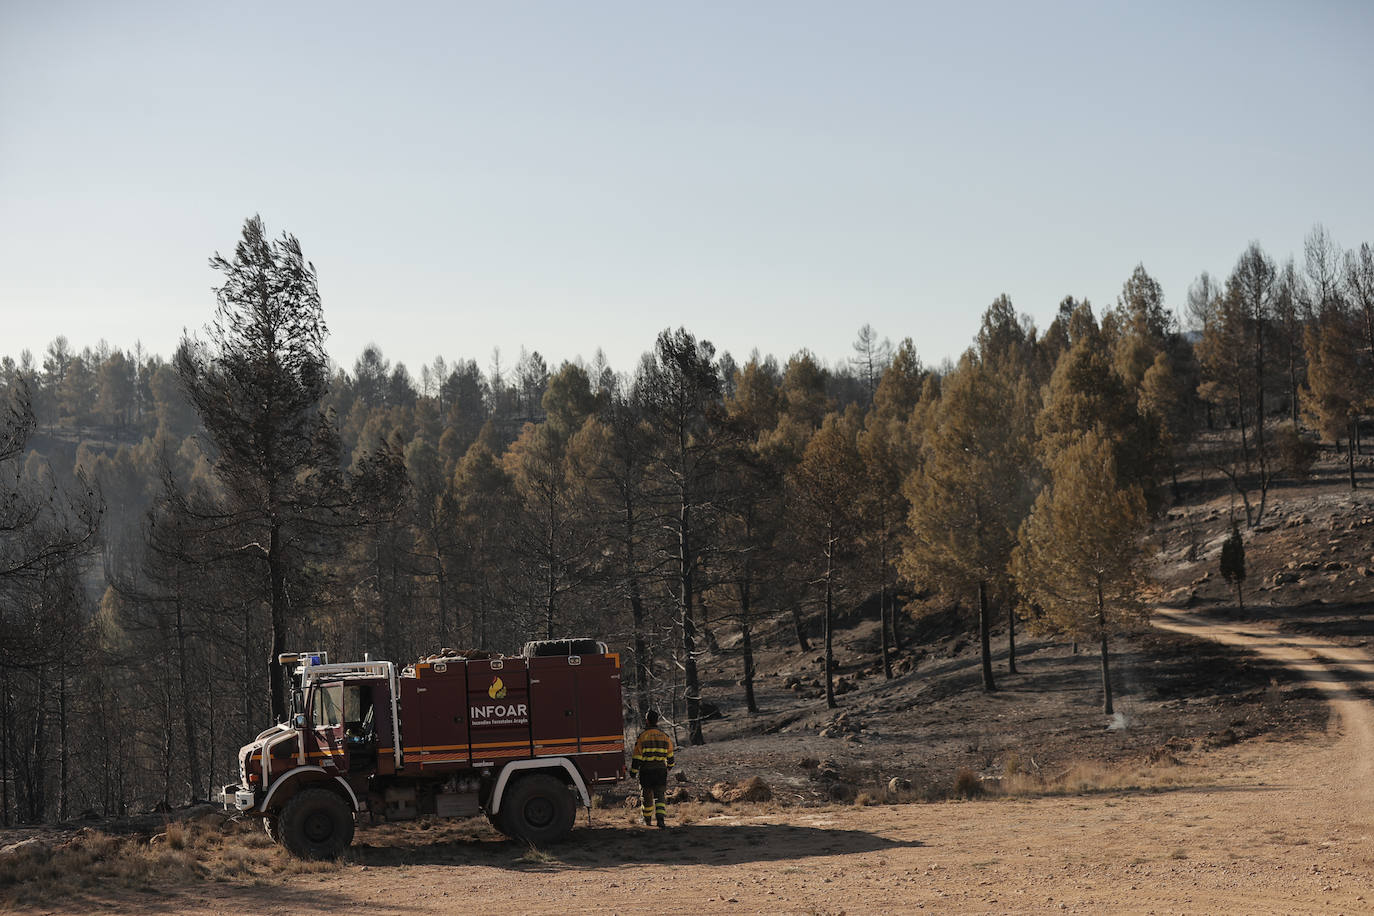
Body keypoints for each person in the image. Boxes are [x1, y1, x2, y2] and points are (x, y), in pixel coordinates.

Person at [628, 710, 675, 828]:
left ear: (647, 720)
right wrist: (669, 766)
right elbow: (670, 755)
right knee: (660, 796)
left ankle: (647, 820)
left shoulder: (642, 736)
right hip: (660, 770)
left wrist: (633, 772)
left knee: (647, 797)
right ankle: (661, 820)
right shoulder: (664, 736)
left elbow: (637, 757)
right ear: (657, 720)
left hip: (646, 771)